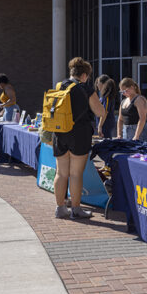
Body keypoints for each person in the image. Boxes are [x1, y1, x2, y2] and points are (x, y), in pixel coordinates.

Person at [52, 57, 107, 220]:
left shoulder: (59, 85)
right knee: (75, 174)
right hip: (79, 134)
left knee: (61, 173)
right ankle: (76, 209)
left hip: (60, 133)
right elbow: (100, 112)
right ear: (84, 75)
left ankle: (60, 208)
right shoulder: (85, 89)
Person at [117, 78, 147, 142]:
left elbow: (142, 118)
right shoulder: (123, 101)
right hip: (126, 131)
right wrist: (119, 134)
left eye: (125, 91)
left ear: (132, 87)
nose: (123, 94)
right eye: (121, 92)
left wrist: (136, 136)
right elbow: (120, 119)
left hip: (138, 132)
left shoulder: (139, 99)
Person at [95, 74, 118, 138]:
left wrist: (100, 126)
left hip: (105, 125)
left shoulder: (107, 97)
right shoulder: (103, 97)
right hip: (103, 125)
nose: (97, 85)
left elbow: (105, 112)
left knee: (106, 144)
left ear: (103, 84)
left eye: (98, 83)